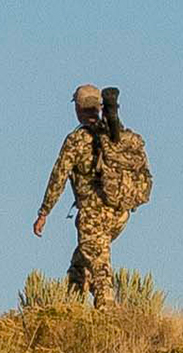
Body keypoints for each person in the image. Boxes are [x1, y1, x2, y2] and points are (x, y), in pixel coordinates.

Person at [33, 84, 149, 307]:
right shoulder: (116, 135)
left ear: (78, 108)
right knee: (81, 262)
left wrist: (44, 212)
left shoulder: (76, 141)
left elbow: (58, 177)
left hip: (93, 215)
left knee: (99, 265)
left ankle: (106, 313)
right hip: (119, 212)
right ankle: (71, 306)